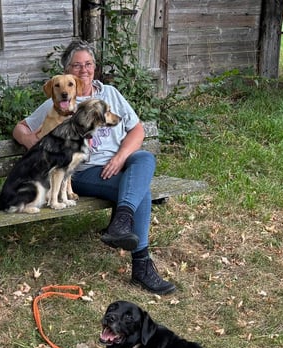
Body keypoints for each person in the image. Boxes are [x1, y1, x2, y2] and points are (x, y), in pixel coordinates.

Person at [12, 40, 176, 295]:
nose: (83, 70)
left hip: (121, 164)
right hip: (85, 172)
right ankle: (141, 266)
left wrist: (121, 157)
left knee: (144, 158)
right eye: (76, 66)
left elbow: (137, 129)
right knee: (141, 192)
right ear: (67, 71)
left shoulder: (110, 93)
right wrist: (35, 145)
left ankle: (121, 222)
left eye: (88, 64)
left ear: (95, 67)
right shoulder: (61, 101)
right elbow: (20, 128)